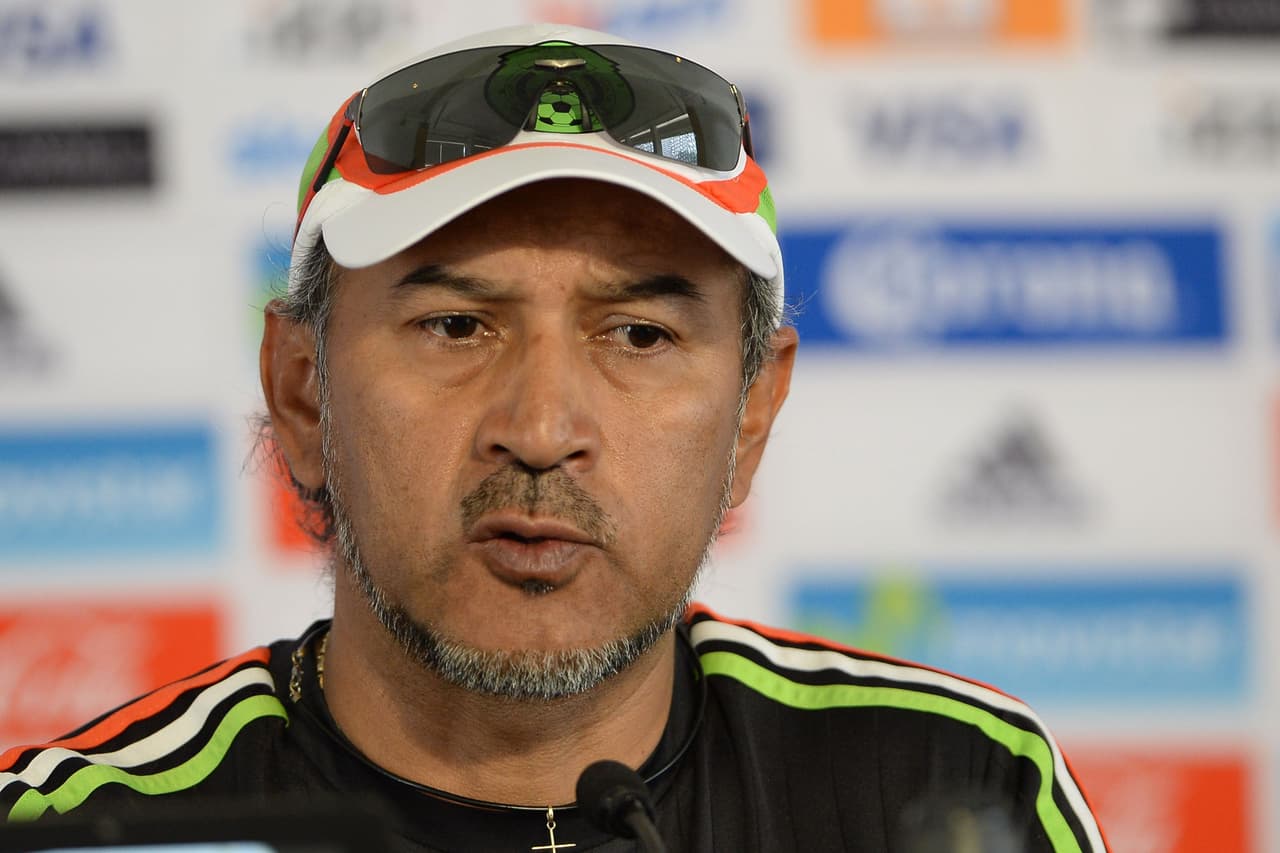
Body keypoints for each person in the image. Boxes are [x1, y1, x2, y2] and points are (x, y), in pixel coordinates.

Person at [0, 23, 1108, 852]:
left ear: (751, 415)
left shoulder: (959, 788)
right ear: (301, 393)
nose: (539, 431)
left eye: (637, 335)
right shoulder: (80, 831)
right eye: (456, 326)